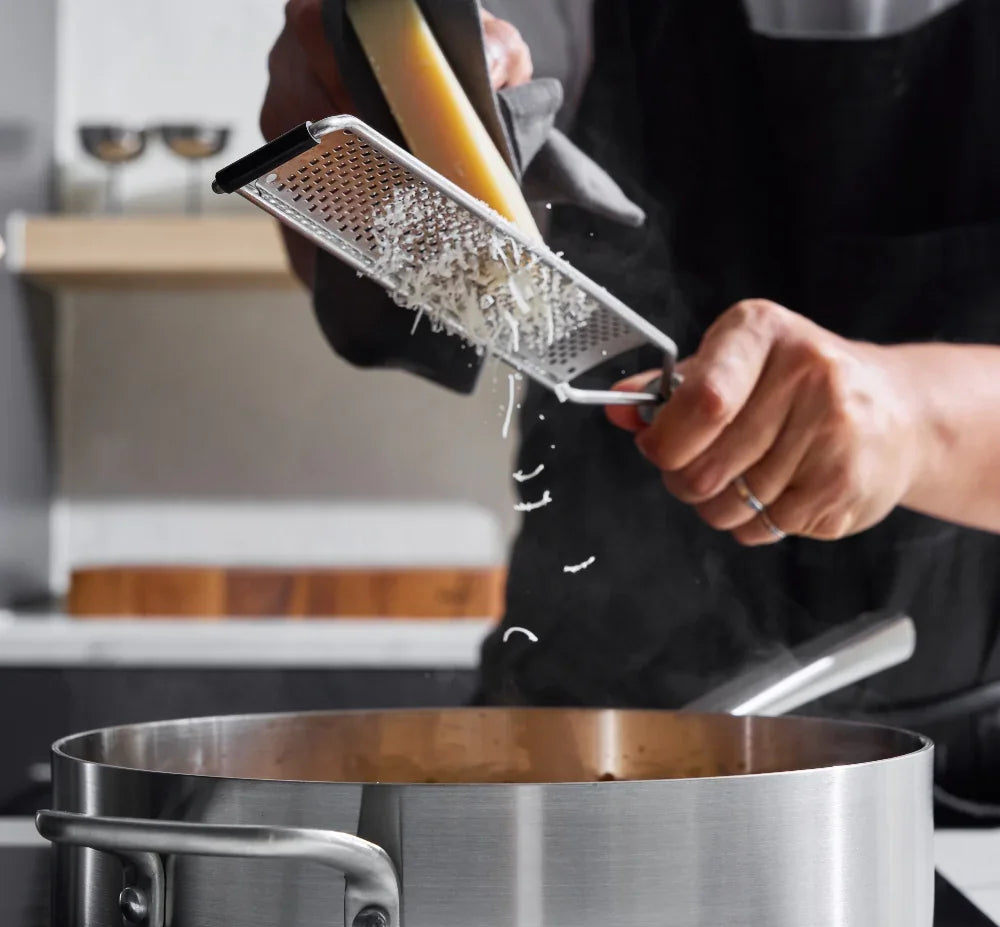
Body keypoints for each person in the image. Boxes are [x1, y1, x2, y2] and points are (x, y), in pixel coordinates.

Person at [263, 0, 1000, 820]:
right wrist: (354, 107)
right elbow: (411, 257)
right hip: (572, 757)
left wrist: (915, 419)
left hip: (956, 787)